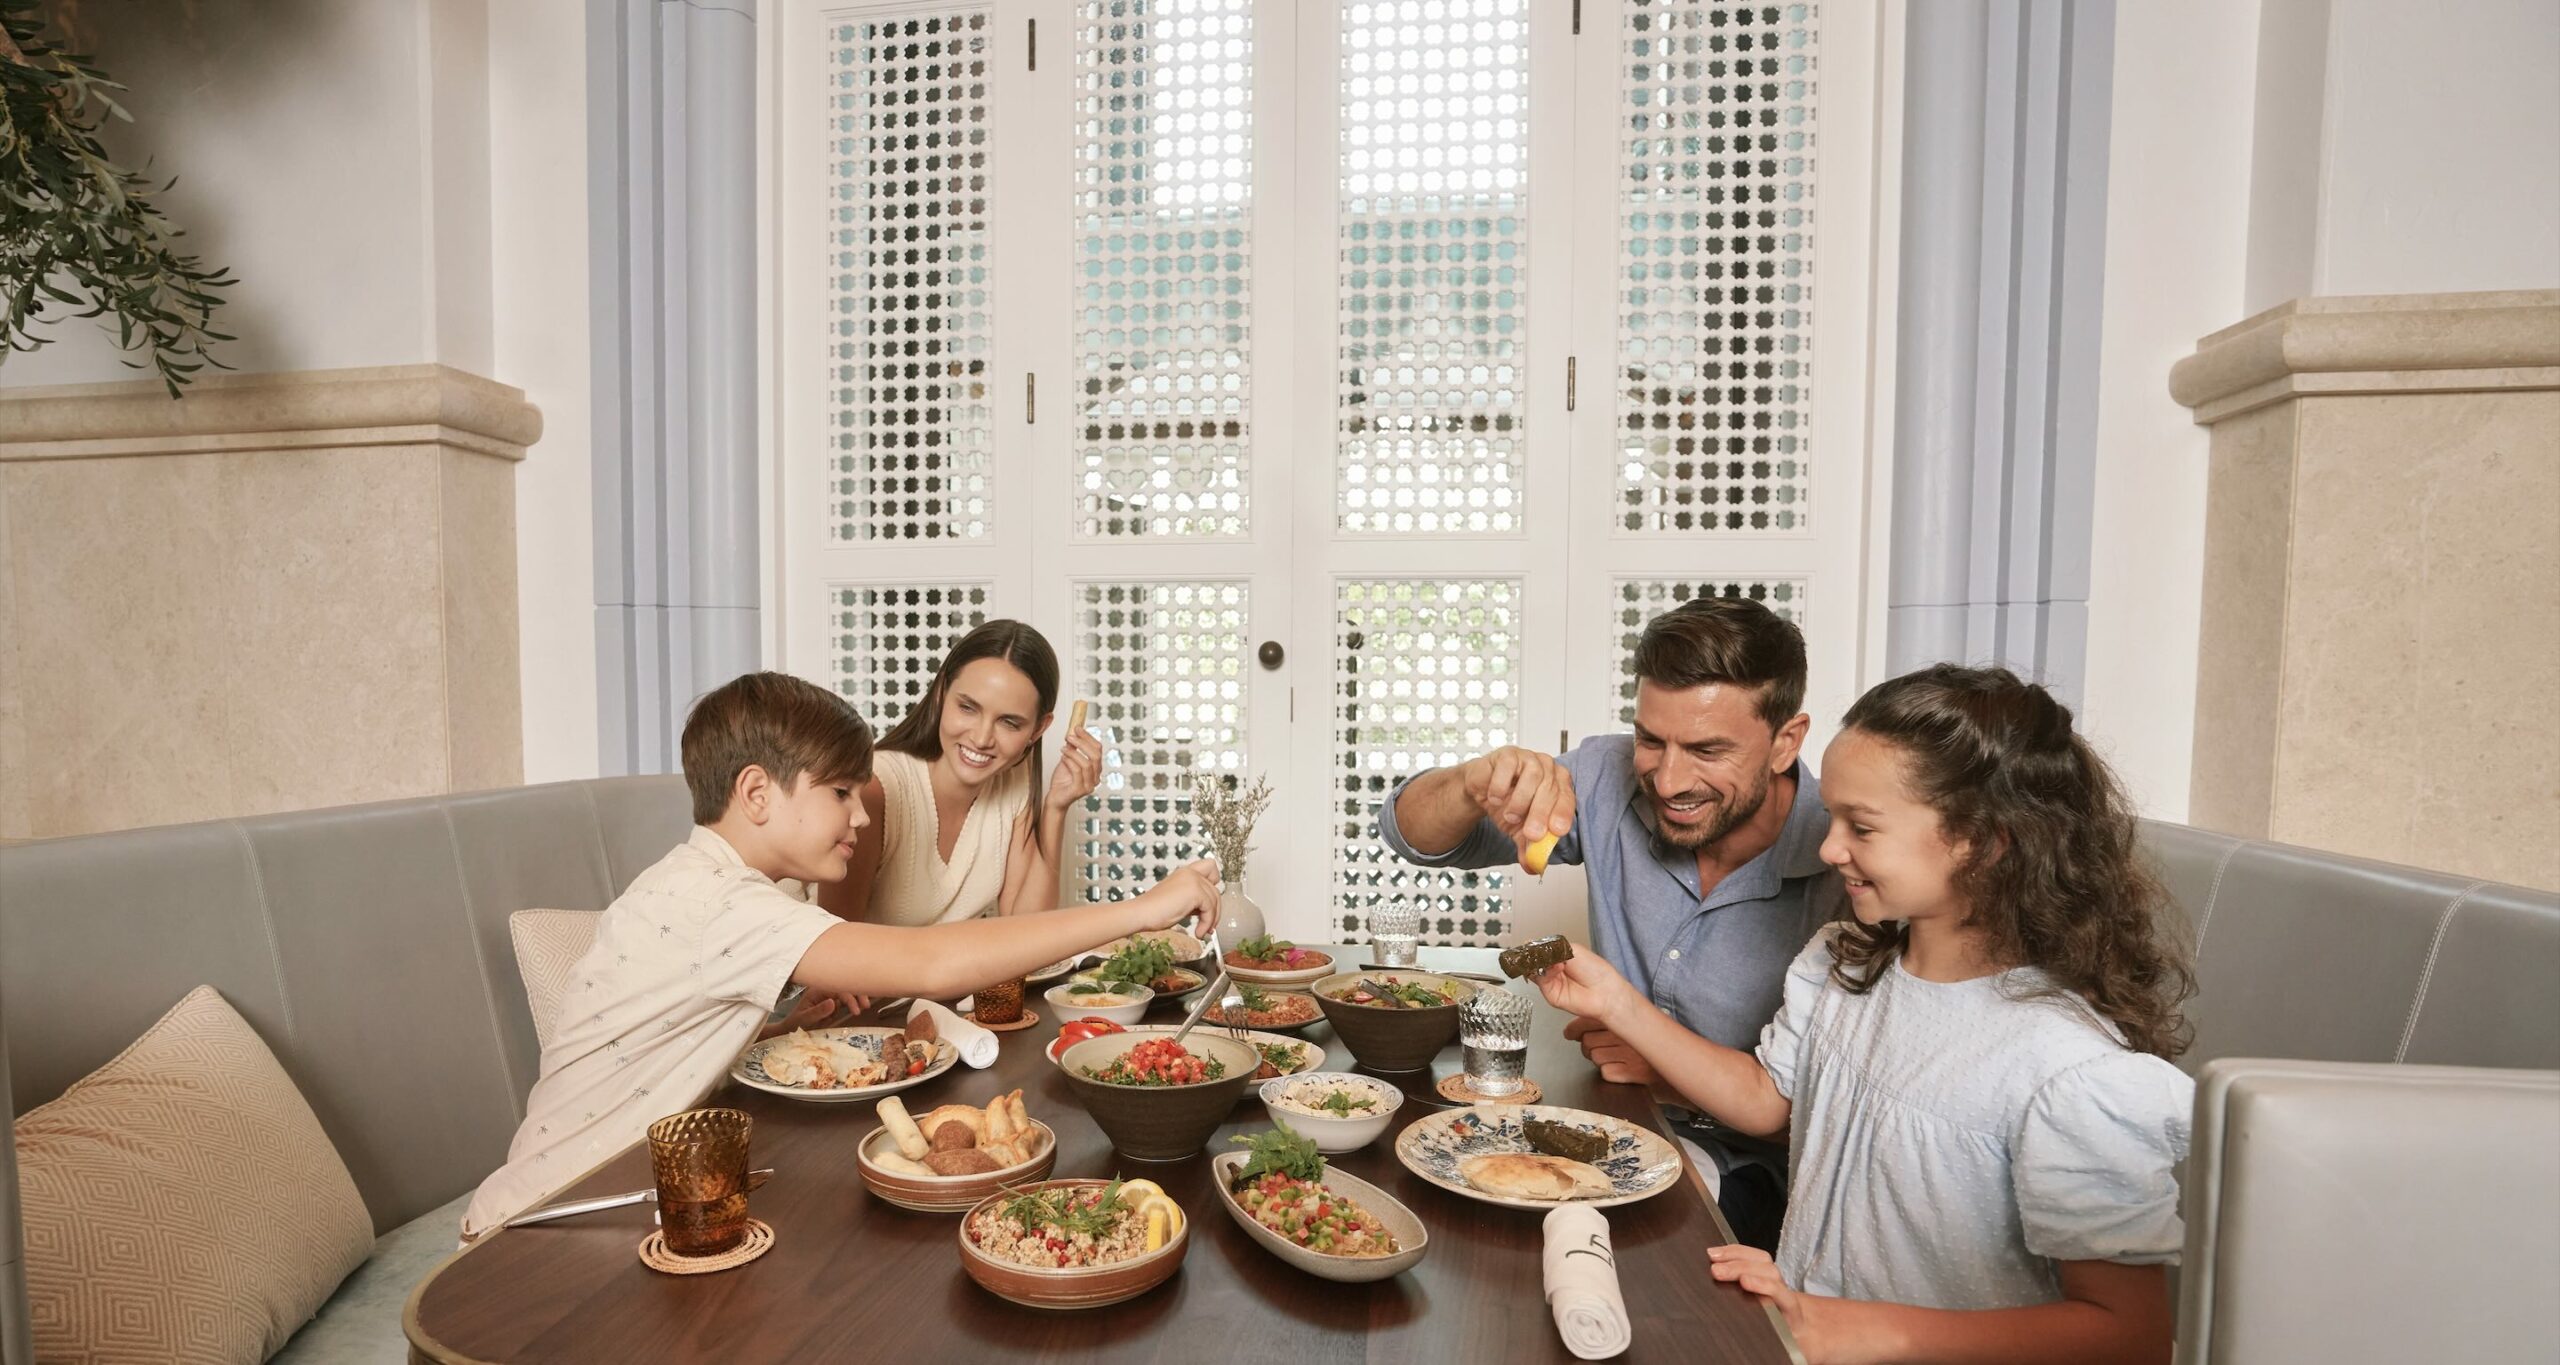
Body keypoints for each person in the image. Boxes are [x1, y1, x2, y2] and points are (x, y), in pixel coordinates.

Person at [1526, 664, 2196, 1364]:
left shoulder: (2070, 1069)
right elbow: (1765, 1099)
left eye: (1862, 827)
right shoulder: (1846, 959)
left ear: (1986, 840)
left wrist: (1858, 1327)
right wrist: (1617, 1002)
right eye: (1834, 815)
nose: (1827, 847)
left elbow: (2130, 1335)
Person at [461, 672, 1217, 1238]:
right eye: (839, 793)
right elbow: (935, 964)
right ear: (757, 793)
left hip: (639, 1194)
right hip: (551, 1225)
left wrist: (772, 1024)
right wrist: (1145, 909)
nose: (860, 814)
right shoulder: (723, 903)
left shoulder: (714, 883)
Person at [1374, 596, 1841, 1247]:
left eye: (1707, 749)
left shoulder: (1851, 859)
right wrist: (1474, 781)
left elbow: (1847, 1117)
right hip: (1608, 1127)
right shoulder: (1604, 772)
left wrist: (1666, 1070)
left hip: (1748, 1175)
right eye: (1652, 739)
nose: (1670, 778)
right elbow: (1410, 834)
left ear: (1786, 740)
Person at [819, 620, 1102, 927]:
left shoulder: (1013, 784)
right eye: (968, 707)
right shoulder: (875, 789)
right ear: (941, 693)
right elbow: (839, 945)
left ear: (1038, 729)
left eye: (1009, 723)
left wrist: (1056, 808)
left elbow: (1024, 932)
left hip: (944, 974)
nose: (981, 739)